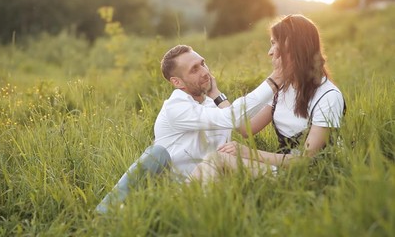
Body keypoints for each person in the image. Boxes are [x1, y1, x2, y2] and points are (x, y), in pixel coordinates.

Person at [95, 44, 283, 214]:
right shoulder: (176, 107)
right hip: (181, 192)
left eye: (203, 63)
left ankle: (285, 179)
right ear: (177, 82)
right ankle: (104, 213)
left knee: (220, 161)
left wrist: (216, 93)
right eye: (194, 69)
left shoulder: (210, 103)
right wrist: (274, 81)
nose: (204, 71)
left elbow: (241, 125)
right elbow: (231, 117)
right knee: (159, 153)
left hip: (218, 183)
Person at [191, 14, 346, 179]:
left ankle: (188, 198)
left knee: (217, 159)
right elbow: (245, 128)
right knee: (212, 162)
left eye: (273, 43)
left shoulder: (328, 96)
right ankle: (187, 196)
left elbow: (306, 160)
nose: (269, 52)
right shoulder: (283, 89)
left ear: (291, 47)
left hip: (308, 175)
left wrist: (249, 153)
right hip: (281, 168)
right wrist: (215, 93)